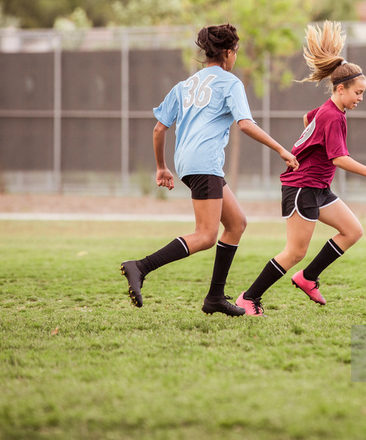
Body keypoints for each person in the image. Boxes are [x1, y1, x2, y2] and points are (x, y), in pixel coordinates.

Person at [120, 23, 298, 316]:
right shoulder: (230, 83)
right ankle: (140, 267)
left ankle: (215, 297)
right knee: (205, 236)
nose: (236, 57)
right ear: (228, 53)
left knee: (237, 223)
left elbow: (158, 128)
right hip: (204, 162)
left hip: (188, 162)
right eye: (236, 52)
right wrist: (280, 149)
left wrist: (162, 167)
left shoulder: (185, 85)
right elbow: (245, 124)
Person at [235, 21, 366, 316]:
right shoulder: (334, 117)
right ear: (341, 88)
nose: (360, 98)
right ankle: (248, 298)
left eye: (363, 93)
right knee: (295, 251)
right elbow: (339, 159)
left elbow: (307, 118)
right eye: (357, 93)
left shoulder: (328, 111)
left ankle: (307, 278)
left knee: (352, 231)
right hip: (302, 186)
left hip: (318, 186)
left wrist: (308, 149)